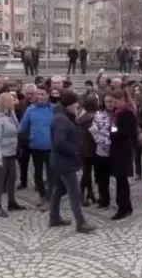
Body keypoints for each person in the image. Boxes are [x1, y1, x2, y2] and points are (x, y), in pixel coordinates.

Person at [49, 91, 96, 233]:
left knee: (59, 189)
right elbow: (59, 142)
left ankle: (54, 218)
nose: (78, 107)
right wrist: (75, 151)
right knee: (74, 192)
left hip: (60, 161)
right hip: (65, 162)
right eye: (76, 105)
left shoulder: (63, 116)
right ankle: (80, 223)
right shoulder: (62, 120)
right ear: (69, 104)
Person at [0, 93, 26, 217]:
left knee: (12, 177)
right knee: (0, 180)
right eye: (12, 100)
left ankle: (11, 202)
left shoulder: (11, 115)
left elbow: (17, 130)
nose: (15, 102)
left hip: (10, 152)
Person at [19, 87, 55, 210]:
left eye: (43, 94)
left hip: (51, 147)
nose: (40, 97)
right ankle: (42, 196)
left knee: (51, 173)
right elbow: (22, 127)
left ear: (48, 95)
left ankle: (50, 199)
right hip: (35, 146)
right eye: (38, 94)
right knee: (38, 173)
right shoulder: (30, 110)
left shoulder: (54, 109)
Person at [108, 90, 137, 220]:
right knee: (121, 179)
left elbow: (129, 133)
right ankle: (127, 206)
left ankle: (123, 208)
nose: (113, 104)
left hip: (123, 149)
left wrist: (114, 134)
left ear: (123, 100)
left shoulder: (127, 113)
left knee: (122, 180)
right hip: (116, 148)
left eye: (116, 101)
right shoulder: (117, 113)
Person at [77, 95, 98, 206]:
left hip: (83, 147)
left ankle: (90, 193)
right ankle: (81, 194)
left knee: (87, 171)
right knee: (87, 173)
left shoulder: (83, 116)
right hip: (90, 147)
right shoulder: (92, 117)